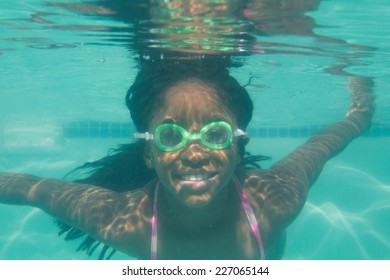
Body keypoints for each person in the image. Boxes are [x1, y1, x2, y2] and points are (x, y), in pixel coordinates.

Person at [0, 58, 375, 260]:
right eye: (170, 135)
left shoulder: (273, 202)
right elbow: (30, 190)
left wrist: (359, 113)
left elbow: (323, 145)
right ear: (149, 153)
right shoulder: (123, 222)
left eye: (215, 134)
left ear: (237, 146)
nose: (194, 153)